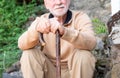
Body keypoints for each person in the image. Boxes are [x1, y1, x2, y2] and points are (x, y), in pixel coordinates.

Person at [18, 0, 97, 78]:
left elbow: (91, 43)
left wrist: (65, 32)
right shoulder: (42, 20)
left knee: (84, 55)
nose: (58, 2)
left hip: (74, 72)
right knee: (29, 54)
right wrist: (36, 30)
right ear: (46, 4)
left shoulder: (80, 17)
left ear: (68, 1)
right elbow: (21, 44)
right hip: (49, 71)